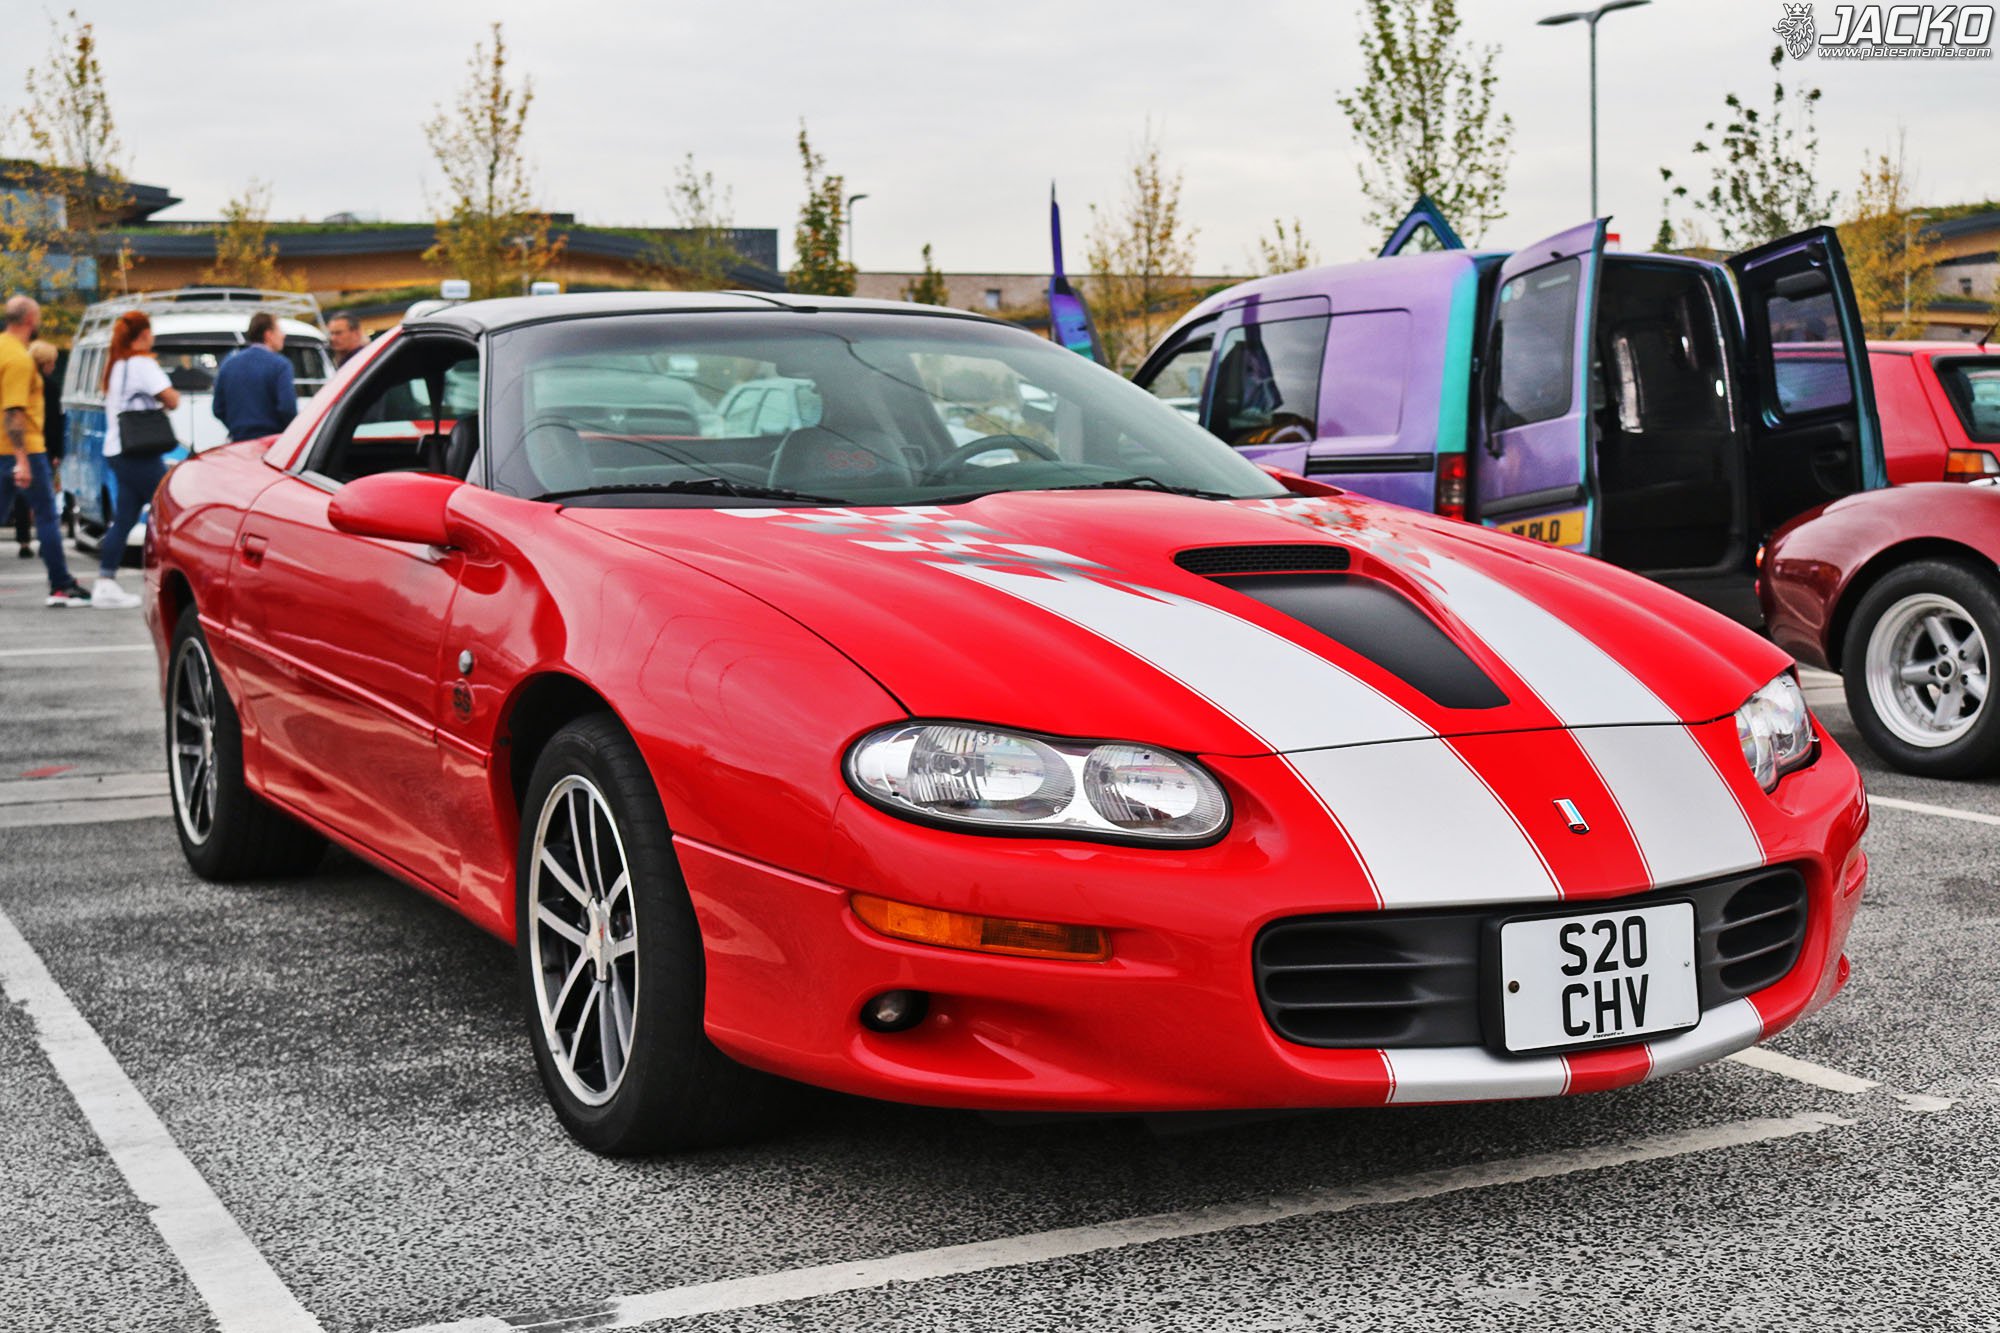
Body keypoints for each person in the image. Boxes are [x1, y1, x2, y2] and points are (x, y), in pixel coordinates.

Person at [0, 295, 88, 606]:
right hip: (24, 450)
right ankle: (61, 584)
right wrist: (22, 460)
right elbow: (14, 411)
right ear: (30, 320)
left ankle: (62, 582)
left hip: (5, 450)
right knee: (48, 518)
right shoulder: (20, 360)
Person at [95, 309, 182, 608]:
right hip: (138, 453)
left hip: (118, 450)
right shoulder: (143, 364)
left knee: (126, 517)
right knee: (169, 509)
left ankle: (105, 581)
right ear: (144, 335)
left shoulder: (116, 365)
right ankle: (176, 577)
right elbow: (172, 398)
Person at [211, 311, 297, 441]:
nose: (283, 335)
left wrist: (236, 426)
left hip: (239, 440)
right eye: (280, 331)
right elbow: (287, 408)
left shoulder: (229, 364)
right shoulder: (280, 365)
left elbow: (218, 408)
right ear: (268, 334)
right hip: (272, 440)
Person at [12, 340, 60, 558]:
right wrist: (57, 451)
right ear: (46, 362)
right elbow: (54, 423)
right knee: (45, 506)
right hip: (38, 447)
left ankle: (23, 540)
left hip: (14, 446)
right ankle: (48, 546)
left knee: (21, 498)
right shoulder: (49, 386)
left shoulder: (22, 382)